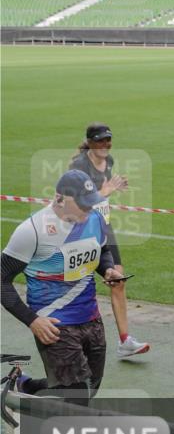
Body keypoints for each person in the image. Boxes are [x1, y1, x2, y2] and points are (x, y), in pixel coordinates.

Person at [1, 170, 124, 405]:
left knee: (88, 388)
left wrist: (108, 270)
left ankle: (23, 384)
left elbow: (103, 252)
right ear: (59, 198)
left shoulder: (95, 218)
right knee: (77, 397)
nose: (88, 209)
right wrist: (32, 320)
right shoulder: (32, 231)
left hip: (90, 318)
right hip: (54, 324)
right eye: (82, 203)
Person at [69, 122, 150, 359]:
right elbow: (82, 202)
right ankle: (72, 338)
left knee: (119, 280)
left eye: (108, 139)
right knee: (79, 285)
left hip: (104, 228)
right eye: (101, 140)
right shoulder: (79, 167)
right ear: (91, 142)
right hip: (84, 231)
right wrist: (106, 189)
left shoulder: (109, 161)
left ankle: (125, 340)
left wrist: (114, 188)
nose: (106, 144)